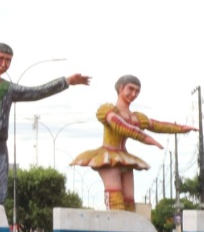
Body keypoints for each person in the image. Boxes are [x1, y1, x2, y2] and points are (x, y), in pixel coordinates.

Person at [0, 43, 90, 206]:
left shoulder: (8, 88)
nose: (4, 64)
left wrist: (66, 81)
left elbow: (36, 92)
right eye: (0, 59)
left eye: (8, 61)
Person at [70, 75, 195, 212]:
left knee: (129, 202)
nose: (133, 94)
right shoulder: (109, 111)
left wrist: (182, 129)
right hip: (108, 157)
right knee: (115, 201)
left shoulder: (135, 117)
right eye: (130, 89)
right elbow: (122, 126)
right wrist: (147, 139)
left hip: (125, 159)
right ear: (120, 88)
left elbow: (157, 125)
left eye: (137, 91)